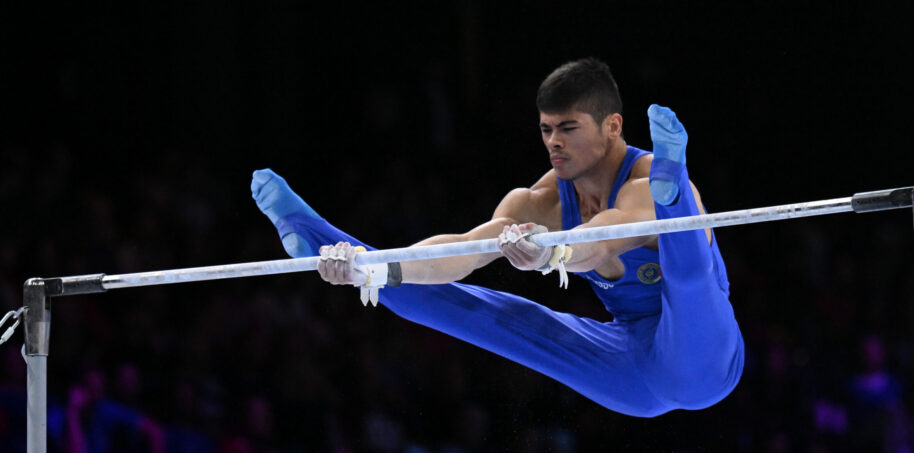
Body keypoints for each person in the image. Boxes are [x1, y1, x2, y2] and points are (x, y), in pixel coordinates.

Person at [251, 58, 743, 417]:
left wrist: (555, 251)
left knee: (685, 259)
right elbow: (466, 249)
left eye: (568, 128)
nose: (554, 142)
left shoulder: (639, 185)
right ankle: (328, 241)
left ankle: (676, 188)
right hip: (631, 364)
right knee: (474, 309)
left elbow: (604, 237)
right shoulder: (540, 202)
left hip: (704, 359)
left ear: (613, 126)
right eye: (547, 129)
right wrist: (380, 268)